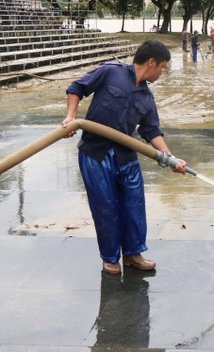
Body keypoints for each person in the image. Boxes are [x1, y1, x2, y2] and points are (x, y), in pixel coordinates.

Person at [61, 40, 187, 276]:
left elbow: (152, 131)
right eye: (162, 67)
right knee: (105, 207)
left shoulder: (147, 98)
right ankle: (110, 257)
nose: (162, 73)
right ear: (151, 62)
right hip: (95, 153)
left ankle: (132, 254)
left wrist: (172, 159)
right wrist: (71, 118)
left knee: (134, 205)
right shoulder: (110, 72)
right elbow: (76, 88)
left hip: (125, 154)